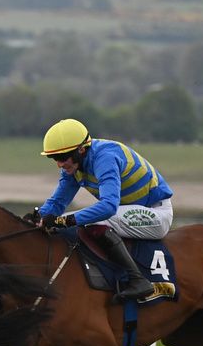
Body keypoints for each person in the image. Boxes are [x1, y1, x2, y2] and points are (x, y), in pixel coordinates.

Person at [29, 118, 174, 302]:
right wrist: (39, 217)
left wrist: (65, 221)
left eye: (62, 158)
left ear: (81, 150)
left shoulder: (105, 157)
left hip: (156, 214)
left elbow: (108, 207)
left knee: (91, 220)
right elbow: (57, 203)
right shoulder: (73, 166)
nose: (59, 164)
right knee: (63, 221)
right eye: (54, 159)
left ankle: (138, 280)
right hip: (128, 212)